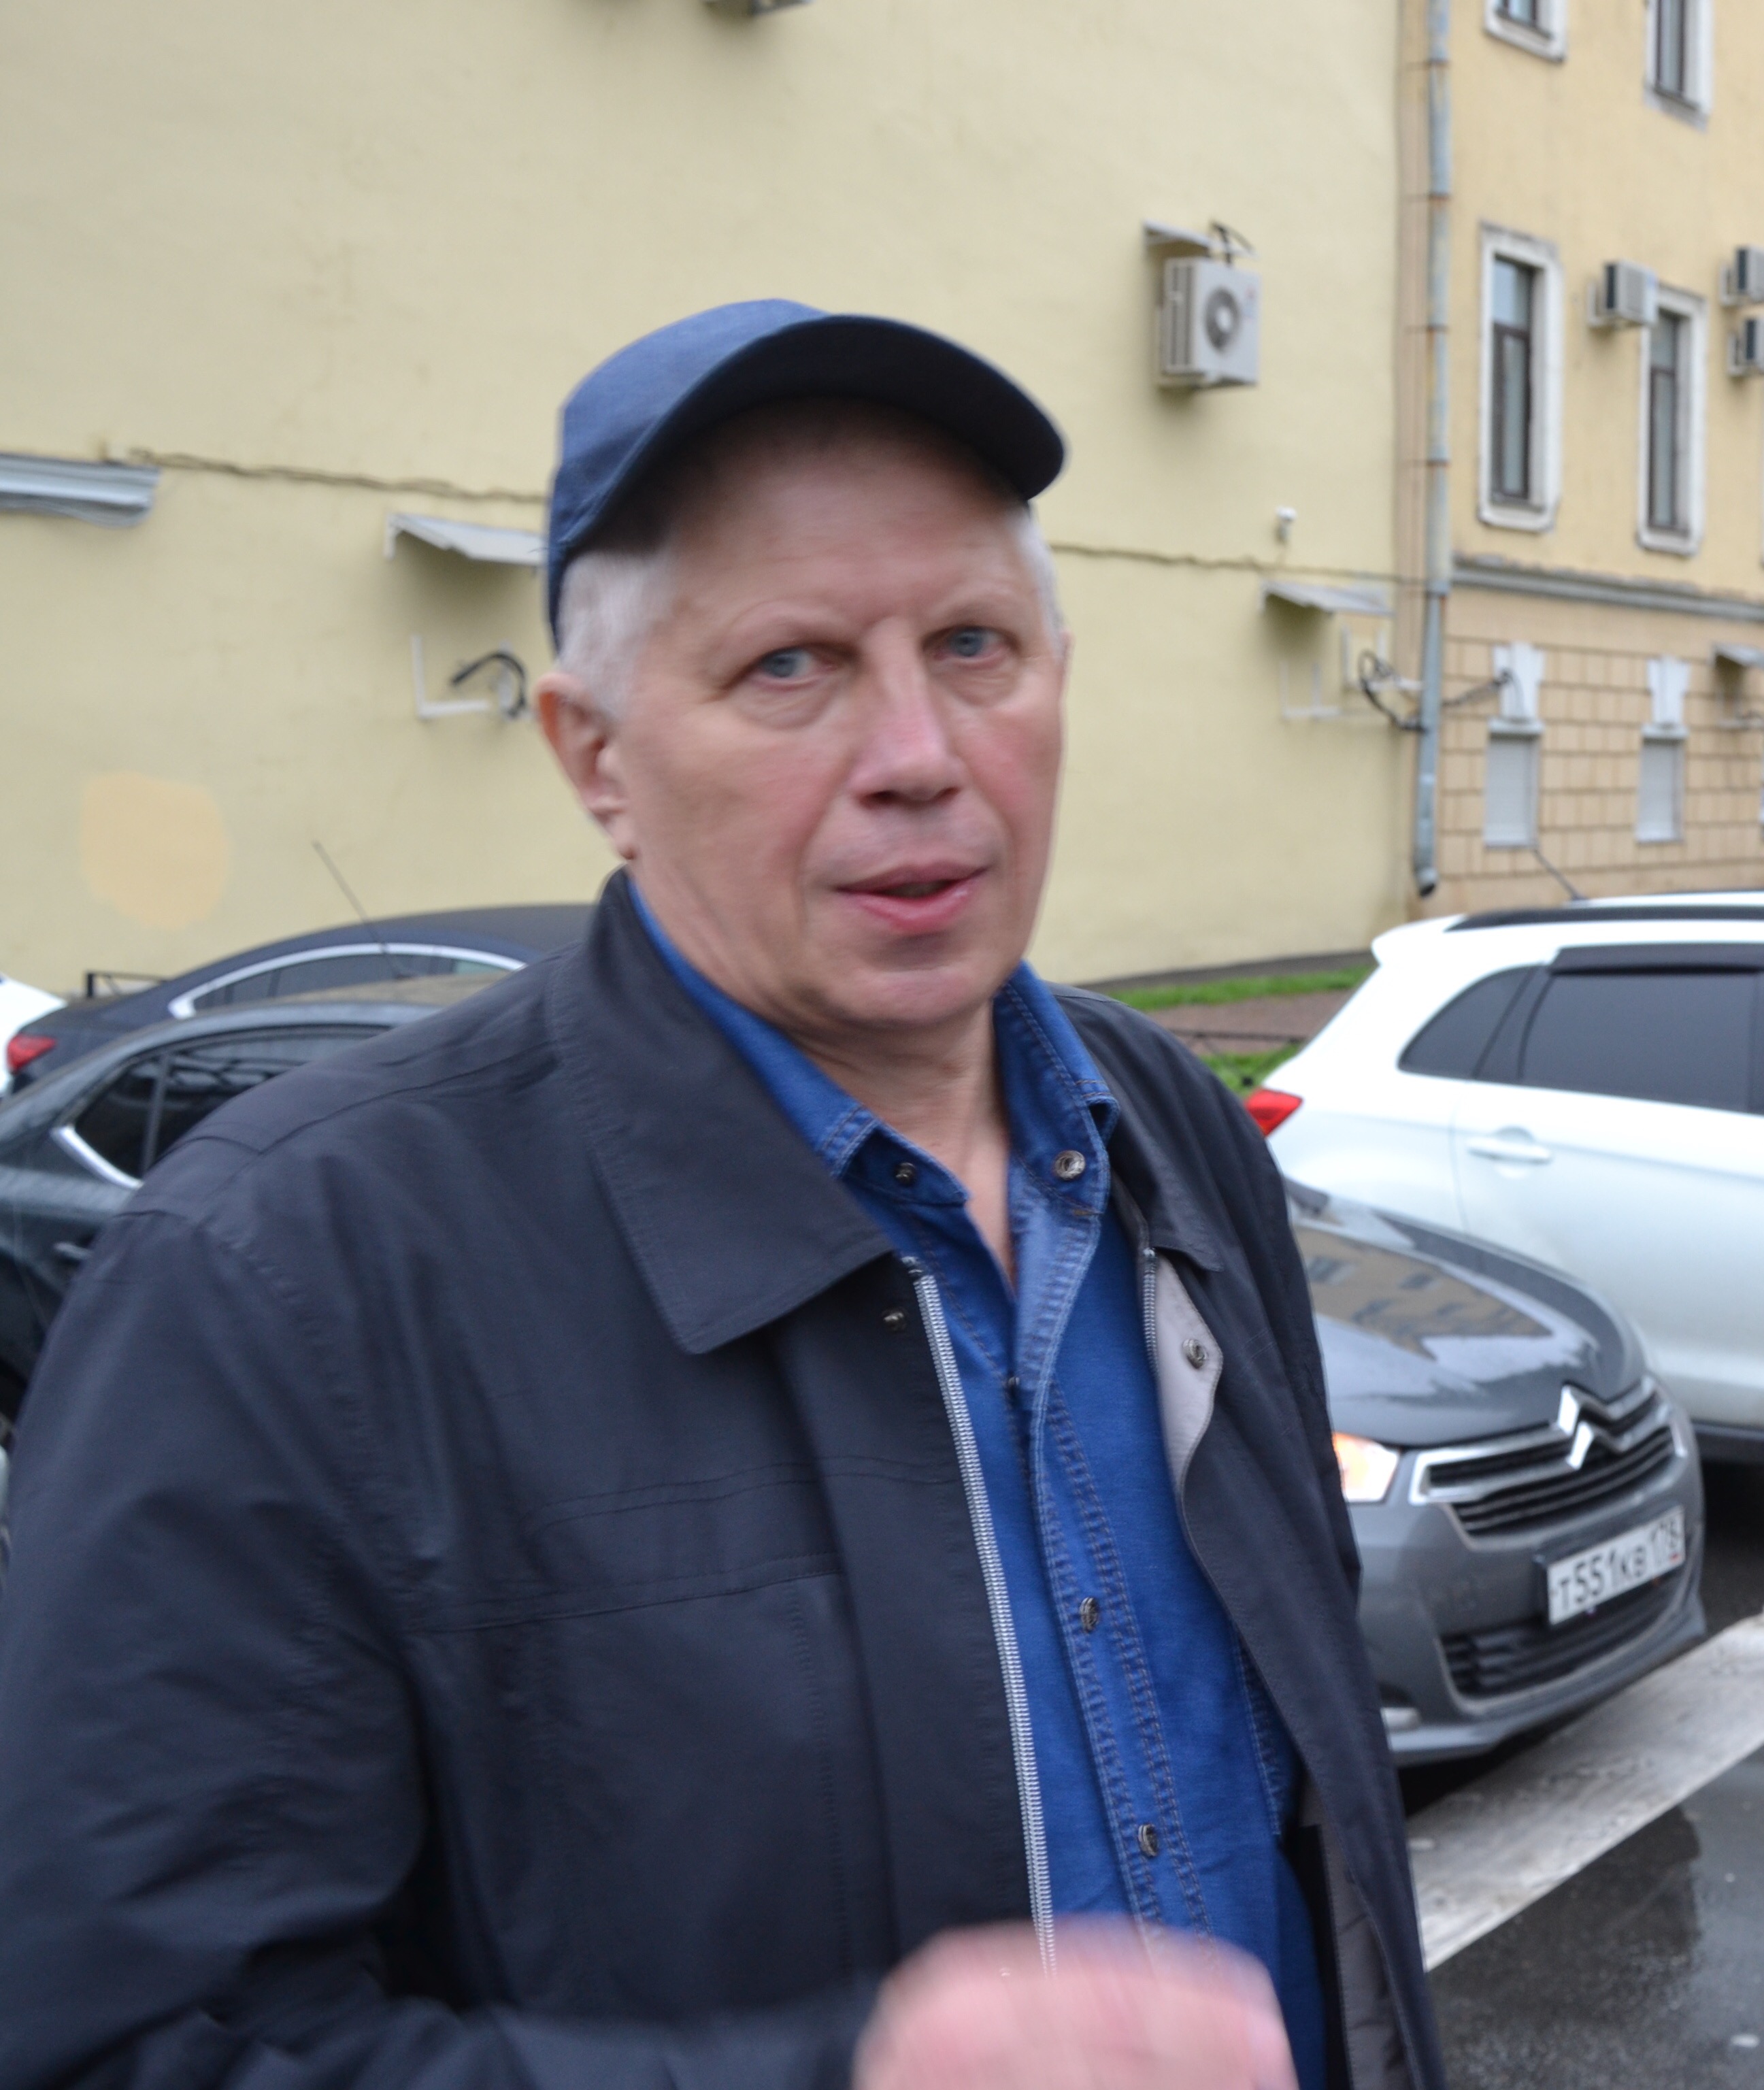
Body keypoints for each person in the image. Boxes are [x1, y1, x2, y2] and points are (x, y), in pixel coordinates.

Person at [0, 302, 1442, 2090]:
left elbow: (1318, 1817)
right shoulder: (285, 1276)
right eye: (790, 666)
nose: (919, 750)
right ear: (595, 756)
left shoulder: (1165, 1128)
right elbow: (131, 2043)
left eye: (974, 645)